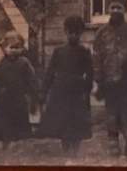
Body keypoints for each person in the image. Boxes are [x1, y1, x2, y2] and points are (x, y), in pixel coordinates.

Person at [93, 0, 127, 157]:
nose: (116, 11)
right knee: (111, 113)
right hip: (109, 81)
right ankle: (113, 144)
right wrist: (99, 80)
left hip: (126, 81)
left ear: (125, 9)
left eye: (119, 7)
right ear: (108, 9)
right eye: (113, 7)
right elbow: (96, 57)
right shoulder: (101, 33)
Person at [39, 15, 94, 155]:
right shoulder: (59, 51)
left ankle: (75, 151)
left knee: (76, 121)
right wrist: (44, 92)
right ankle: (66, 150)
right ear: (66, 32)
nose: (73, 36)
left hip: (77, 91)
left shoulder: (84, 52)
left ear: (81, 33)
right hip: (61, 90)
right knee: (63, 121)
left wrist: (86, 90)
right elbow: (50, 73)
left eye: (76, 33)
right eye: (71, 33)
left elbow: (90, 73)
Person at [0, 31, 39, 149]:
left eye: (17, 47)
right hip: (4, 100)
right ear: (5, 48)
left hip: (19, 99)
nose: (14, 50)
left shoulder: (24, 63)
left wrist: (33, 98)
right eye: (11, 47)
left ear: (21, 49)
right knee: (4, 124)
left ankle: (16, 145)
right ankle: (5, 144)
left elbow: (32, 81)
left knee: (18, 125)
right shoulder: (1, 64)